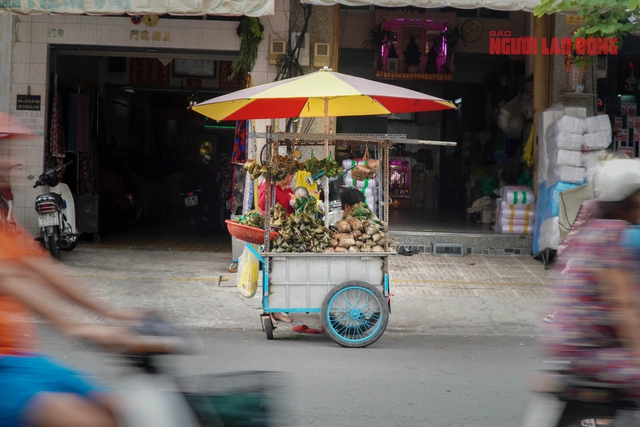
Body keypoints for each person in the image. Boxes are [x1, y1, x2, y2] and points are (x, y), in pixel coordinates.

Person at [542, 159, 640, 399]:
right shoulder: (613, 239)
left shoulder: (599, 230)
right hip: (591, 350)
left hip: (581, 343)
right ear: (625, 201)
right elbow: (623, 305)